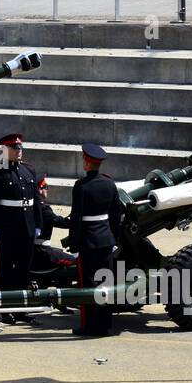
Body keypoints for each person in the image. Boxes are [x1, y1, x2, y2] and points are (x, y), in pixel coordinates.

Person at [64, 143, 125, 336]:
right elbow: (115, 214)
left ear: (88, 162)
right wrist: (114, 237)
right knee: (105, 282)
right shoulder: (109, 183)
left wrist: (74, 244)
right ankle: (105, 325)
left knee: (88, 284)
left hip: (88, 241)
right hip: (106, 239)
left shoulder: (81, 186)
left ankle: (89, 326)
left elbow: (76, 218)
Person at [0, 133, 44, 305]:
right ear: (4, 150)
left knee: (24, 269)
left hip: (27, 227)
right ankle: (6, 308)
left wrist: (38, 224)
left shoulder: (29, 170)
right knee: (6, 270)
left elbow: (36, 201)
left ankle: (21, 308)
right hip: (8, 229)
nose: (19, 150)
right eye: (14, 147)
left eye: (20, 147)